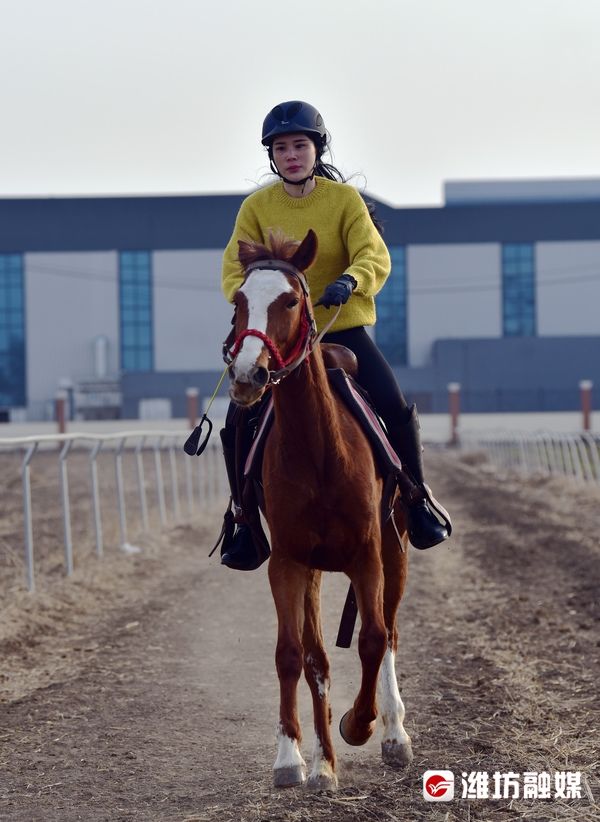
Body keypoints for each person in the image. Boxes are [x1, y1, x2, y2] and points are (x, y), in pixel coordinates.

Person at [218, 100, 450, 571]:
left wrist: (352, 280)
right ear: (272, 156)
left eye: (299, 145)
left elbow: (374, 254)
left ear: (316, 148)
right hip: (281, 342)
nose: (291, 155)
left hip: (342, 330)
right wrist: (249, 303)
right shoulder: (255, 208)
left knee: (394, 405)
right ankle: (243, 519)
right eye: (280, 148)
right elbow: (232, 271)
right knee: (234, 421)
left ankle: (418, 500)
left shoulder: (344, 202)